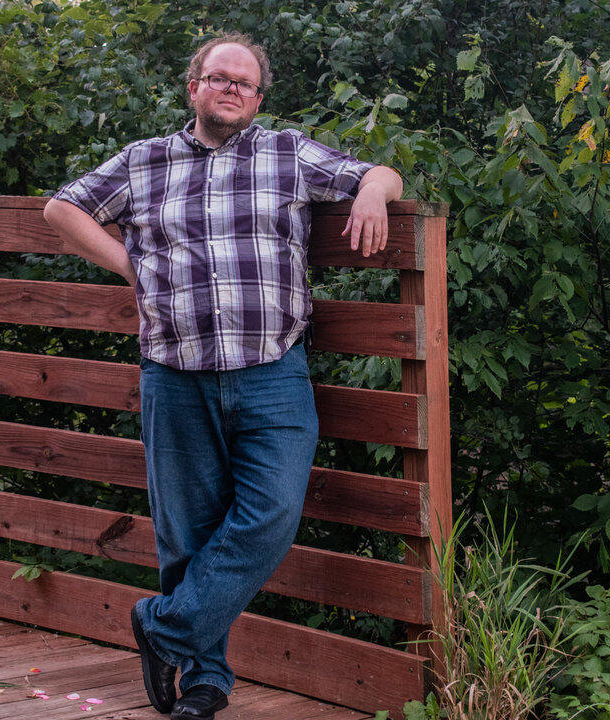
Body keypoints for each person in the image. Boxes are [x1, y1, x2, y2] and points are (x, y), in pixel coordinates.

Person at [43, 33, 403, 720]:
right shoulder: (144, 162)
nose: (231, 89)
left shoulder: (287, 152)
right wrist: (130, 266)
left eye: (244, 82)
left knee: (271, 515)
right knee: (187, 533)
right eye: (218, 77)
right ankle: (203, 683)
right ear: (194, 87)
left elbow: (381, 173)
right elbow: (62, 207)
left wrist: (374, 196)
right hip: (175, 373)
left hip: (272, 372)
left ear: (258, 98)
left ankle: (164, 628)